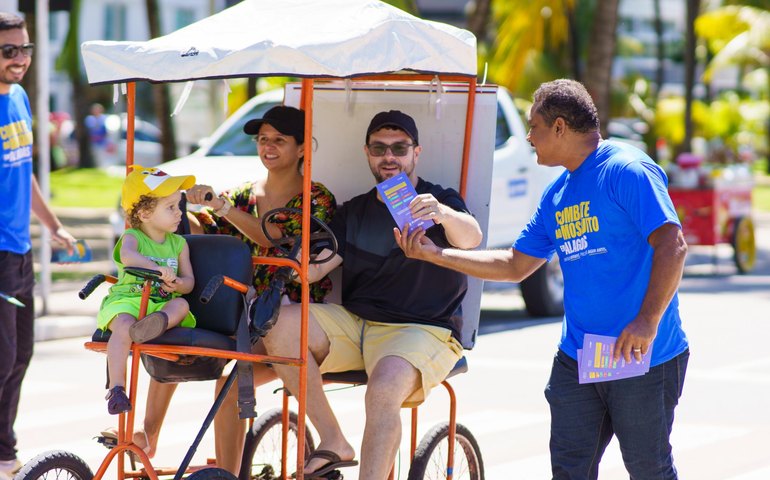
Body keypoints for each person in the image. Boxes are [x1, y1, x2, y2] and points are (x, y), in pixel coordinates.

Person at [395, 79, 690, 480]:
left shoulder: (626, 170)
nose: (528, 136)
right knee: (569, 470)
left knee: (648, 469)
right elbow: (515, 265)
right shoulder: (557, 195)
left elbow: (672, 244)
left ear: (560, 127)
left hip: (641, 355)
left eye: (533, 126)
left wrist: (647, 322)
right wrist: (437, 254)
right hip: (579, 356)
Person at [261, 109, 483, 479]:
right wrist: (299, 262)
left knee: (381, 393)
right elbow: (316, 269)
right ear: (367, 153)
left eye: (399, 148)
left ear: (416, 152)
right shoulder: (356, 211)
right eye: (380, 148)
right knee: (278, 324)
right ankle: (333, 438)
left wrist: (442, 213)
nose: (389, 157)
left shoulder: (438, 198)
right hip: (359, 323)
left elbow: (472, 239)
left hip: (423, 329)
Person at [125, 105, 337, 474]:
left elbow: (271, 238)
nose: (268, 147)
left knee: (230, 385)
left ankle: (230, 472)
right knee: (174, 342)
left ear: (303, 149)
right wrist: (166, 208)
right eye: (262, 140)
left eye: (279, 141)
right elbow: (196, 228)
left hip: (286, 319)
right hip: (240, 314)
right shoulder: (240, 195)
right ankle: (148, 434)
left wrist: (220, 206)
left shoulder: (316, 198)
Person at [0, 12, 77, 480]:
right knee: (2, 356)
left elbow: (22, 170)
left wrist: (53, 225)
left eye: (25, 49)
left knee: (21, 353)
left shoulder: (21, 98)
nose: (21, 60)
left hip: (19, 248)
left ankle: (4, 453)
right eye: (9, 51)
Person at [96, 165, 197, 417]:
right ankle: (117, 388)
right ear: (144, 213)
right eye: (171, 207)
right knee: (123, 325)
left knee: (182, 305)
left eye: (179, 206)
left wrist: (177, 284)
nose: (179, 214)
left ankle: (156, 324)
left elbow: (189, 282)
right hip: (128, 300)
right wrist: (156, 268)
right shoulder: (133, 237)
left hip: (160, 303)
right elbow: (128, 257)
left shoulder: (179, 243)